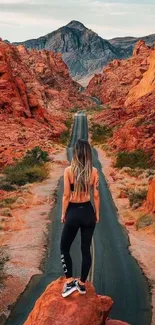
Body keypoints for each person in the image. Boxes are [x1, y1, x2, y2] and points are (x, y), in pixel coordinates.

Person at [60, 139, 100, 298]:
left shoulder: (68, 171)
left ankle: (69, 282)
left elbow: (65, 195)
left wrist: (63, 213)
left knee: (64, 248)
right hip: (88, 212)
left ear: (75, 153)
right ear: (89, 154)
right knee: (85, 249)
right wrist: (97, 213)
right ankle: (82, 284)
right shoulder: (94, 171)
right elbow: (96, 195)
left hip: (73, 212)